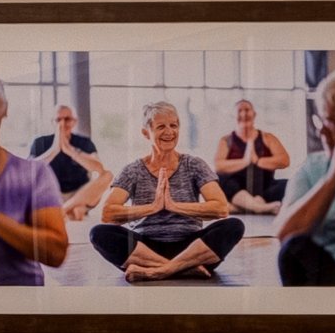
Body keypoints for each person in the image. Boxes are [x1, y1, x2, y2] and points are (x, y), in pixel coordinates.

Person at [89, 100, 244, 283]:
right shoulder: (133, 170)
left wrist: (174, 206)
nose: (169, 132)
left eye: (174, 125)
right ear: (146, 133)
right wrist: (153, 207)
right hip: (145, 249)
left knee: (234, 226)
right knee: (99, 233)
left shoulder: (194, 165)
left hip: (192, 247)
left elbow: (221, 208)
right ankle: (184, 269)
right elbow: (108, 213)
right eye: (161, 126)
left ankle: (160, 271)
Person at [0, 77, 71, 284]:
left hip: (19, 293)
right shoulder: (40, 143)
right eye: (59, 119)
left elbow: (56, 253)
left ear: (5, 108)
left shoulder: (35, 173)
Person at [270, 68, 335, 288]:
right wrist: (334, 177)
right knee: (294, 249)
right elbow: (285, 234)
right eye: (322, 121)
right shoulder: (312, 167)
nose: (321, 132)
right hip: (332, 273)